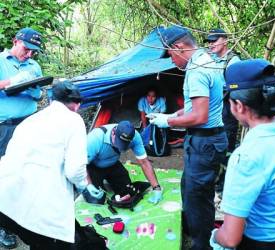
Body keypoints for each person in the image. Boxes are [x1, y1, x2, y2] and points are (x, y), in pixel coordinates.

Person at [150, 25, 228, 249]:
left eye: (171, 55)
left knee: (196, 196)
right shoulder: (207, 60)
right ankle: (197, 230)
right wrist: (173, 114)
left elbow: (200, 116)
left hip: (205, 140)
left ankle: (201, 243)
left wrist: (169, 122)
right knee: (191, 188)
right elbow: (199, 105)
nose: (171, 61)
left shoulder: (196, 70)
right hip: (208, 140)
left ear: (179, 47)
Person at [0, 81, 103, 250]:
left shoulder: (31, 119)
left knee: (36, 240)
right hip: (39, 207)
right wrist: (85, 186)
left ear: (51, 100)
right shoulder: (73, 120)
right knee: (51, 240)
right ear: (77, 105)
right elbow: (74, 170)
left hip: (4, 198)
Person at [210, 59, 275, 250]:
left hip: (263, 243)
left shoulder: (246, 158)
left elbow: (231, 238)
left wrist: (216, 235)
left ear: (239, 106)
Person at [0, 27, 43, 249]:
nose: (29, 55)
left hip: (29, 124)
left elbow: (40, 94)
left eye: (33, 52)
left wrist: (35, 89)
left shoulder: (34, 66)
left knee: (28, 172)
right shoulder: (1, 62)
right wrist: (11, 82)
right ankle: (3, 226)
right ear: (16, 41)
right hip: (5, 127)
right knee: (5, 176)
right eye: (27, 49)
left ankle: (25, 219)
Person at [87, 120, 163, 204]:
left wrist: (156, 188)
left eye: (124, 144)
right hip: (92, 166)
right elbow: (80, 165)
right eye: (119, 143)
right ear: (113, 133)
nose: (121, 147)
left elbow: (144, 162)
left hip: (113, 163)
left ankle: (108, 181)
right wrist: (88, 185)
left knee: (127, 192)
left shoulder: (135, 137)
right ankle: (98, 183)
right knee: (96, 199)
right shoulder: (95, 138)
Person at [205, 28, 240, 192]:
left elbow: (235, 90)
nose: (211, 44)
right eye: (209, 41)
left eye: (214, 40)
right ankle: (214, 183)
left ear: (225, 40)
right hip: (212, 114)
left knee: (226, 151)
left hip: (227, 113)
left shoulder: (233, 62)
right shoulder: (209, 60)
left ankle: (224, 186)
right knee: (212, 150)